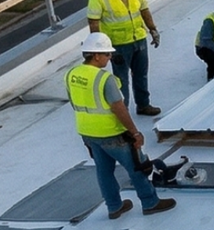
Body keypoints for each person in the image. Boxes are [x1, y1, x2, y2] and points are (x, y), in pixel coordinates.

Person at [68, 32, 175, 219]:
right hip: (112, 133)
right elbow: (119, 108)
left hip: (88, 133)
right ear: (96, 55)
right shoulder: (104, 79)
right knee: (137, 166)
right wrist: (135, 133)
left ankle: (114, 207)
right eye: (107, 54)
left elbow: (74, 102)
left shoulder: (72, 75)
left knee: (104, 171)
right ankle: (150, 202)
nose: (110, 58)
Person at [86, 0, 161, 116]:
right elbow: (94, 23)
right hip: (117, 45)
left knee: (141, 74)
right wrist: (101, 50)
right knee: (121, 81)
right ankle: (123, 111)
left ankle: (143, 105)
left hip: (138, 39)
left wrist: (153, 29)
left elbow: (144, 9)